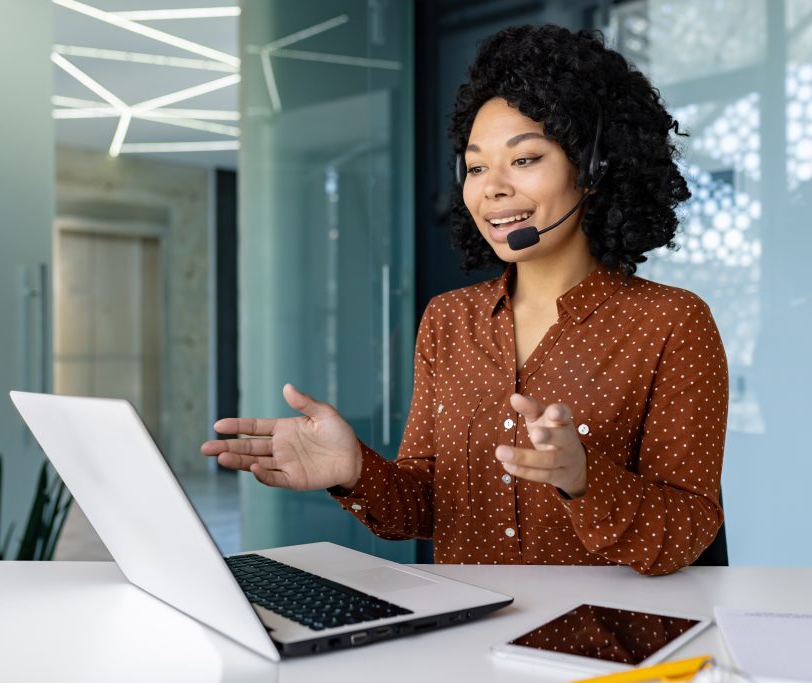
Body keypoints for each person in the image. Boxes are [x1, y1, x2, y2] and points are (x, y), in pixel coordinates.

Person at [202, 24, 728, 576]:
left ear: (594, 169)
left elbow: (686, 533)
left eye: (524, 160)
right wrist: (354, 469)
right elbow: (429, 504)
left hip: (609, 641)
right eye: (476, 167)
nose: (491, 188)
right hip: (469, 637)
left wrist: (585, 479)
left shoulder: (671, 322)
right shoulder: (448, 320)